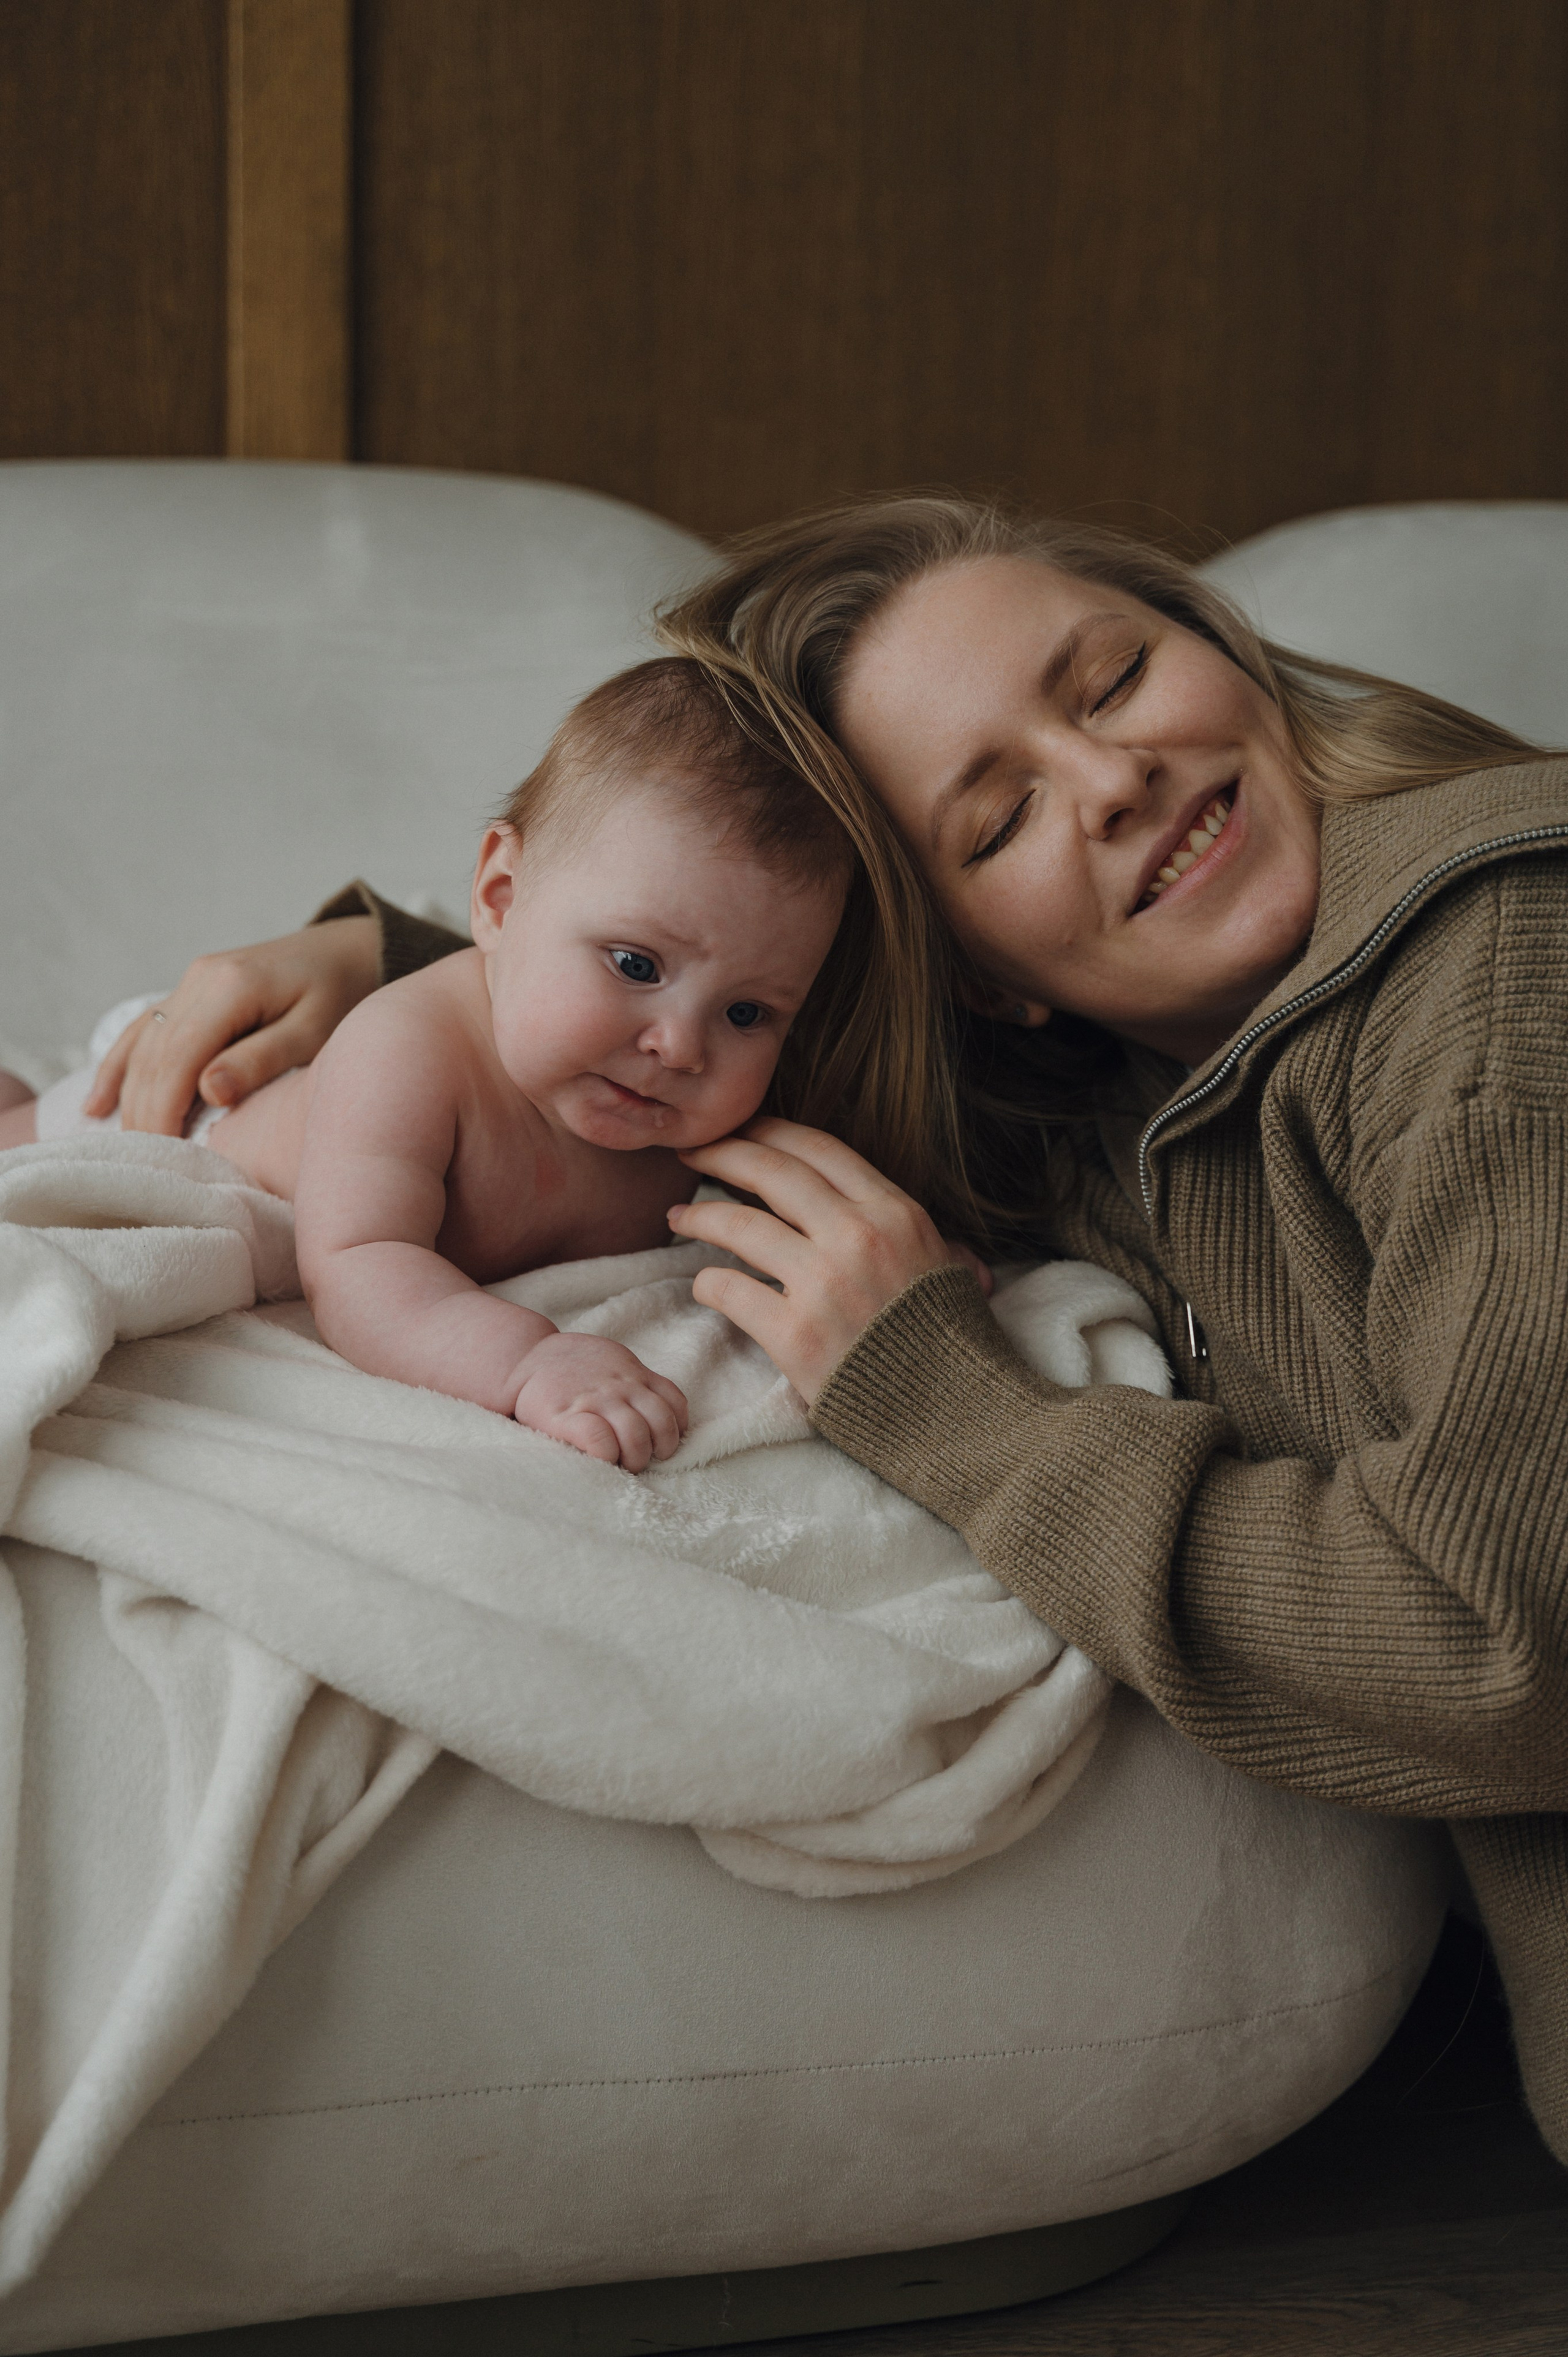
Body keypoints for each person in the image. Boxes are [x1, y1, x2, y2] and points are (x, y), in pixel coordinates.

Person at [42, 497, 1568, 2161]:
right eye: (999, 819)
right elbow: (722, 1010)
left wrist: (954, 1411)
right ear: (973, 984)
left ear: (1220, 647)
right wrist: (427, 971)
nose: (1112, 777)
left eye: (1115, 677)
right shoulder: (1120, 1094)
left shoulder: (1506, 977)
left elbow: (1503, 1647)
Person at [1, 658, 855, 1471]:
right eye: (635, 965)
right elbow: (358, 1264)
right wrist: (527, 1363)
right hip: (187, 1113)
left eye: (748, 1013)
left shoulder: (695, 1116)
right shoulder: (410, 1050)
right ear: (500, 900)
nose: (682, 1046)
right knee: (18, 1136)